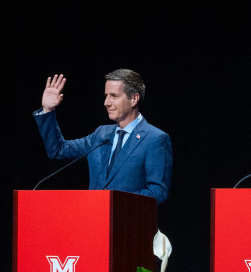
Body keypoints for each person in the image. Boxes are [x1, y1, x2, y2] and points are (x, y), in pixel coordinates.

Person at [34, 69, 172, 204]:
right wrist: (48, 110)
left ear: (134, 99)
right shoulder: (101, 134)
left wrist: (113, 201)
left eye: (114, 96)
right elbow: (59, 150)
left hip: (128, 222)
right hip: (94, 222)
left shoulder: (155, 139)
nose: (106, 102)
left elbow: (157, 192)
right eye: (106, 95)